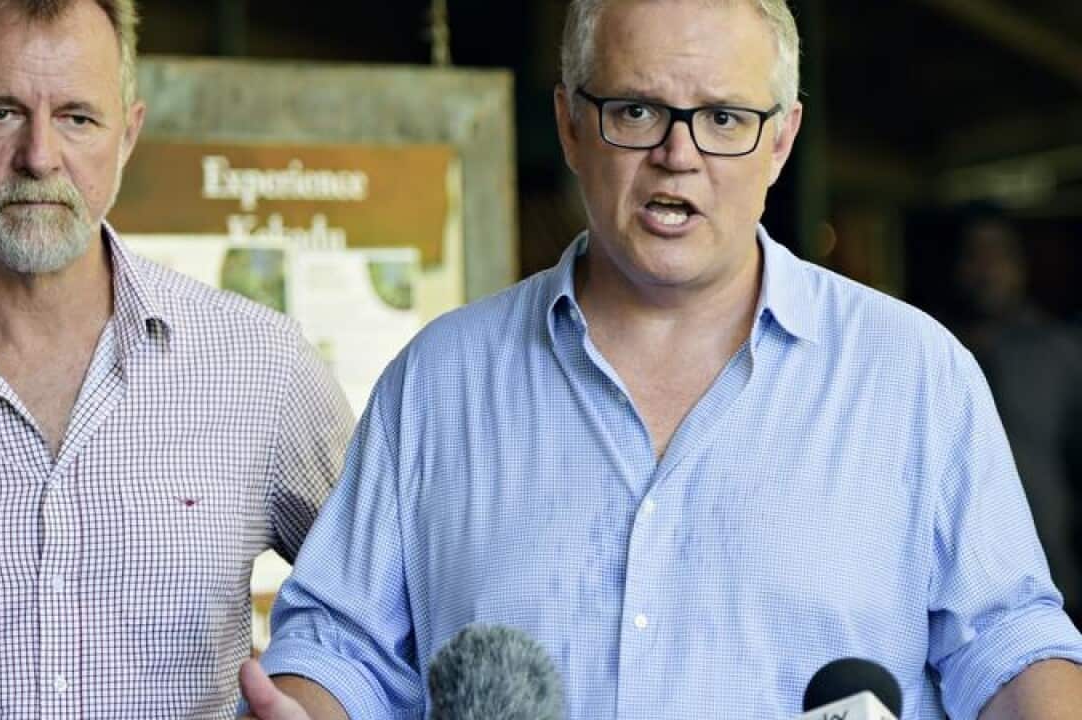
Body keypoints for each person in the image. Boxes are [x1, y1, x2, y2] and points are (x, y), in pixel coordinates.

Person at [236, 1, 1082, 718]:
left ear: (782, 140)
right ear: (570, 124)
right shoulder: (438, 382)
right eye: (637, 110)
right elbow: (342, 646)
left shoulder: (914, 376)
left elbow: (1007, 644)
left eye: (723, 118)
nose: (679, 154)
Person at [0, 0, 353, 716]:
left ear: (128, 135)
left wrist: (319, 704)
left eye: (77, 118)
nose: (38, 157)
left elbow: (377, 612)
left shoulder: (263, 367)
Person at [947, 205, 1082, 625]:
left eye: (998, 255)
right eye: (975, 255)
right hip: (954, 593)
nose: (987, 269)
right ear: (957, 267)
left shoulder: (1061, 353)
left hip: (1056, 581)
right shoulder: (929, 350)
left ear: (1020, 266)